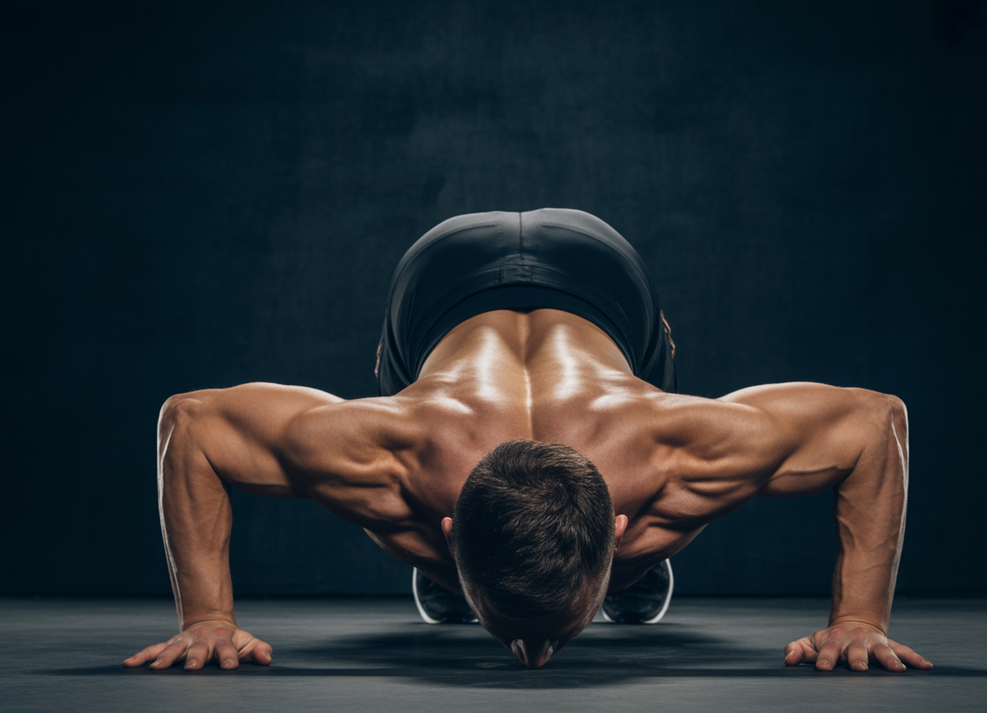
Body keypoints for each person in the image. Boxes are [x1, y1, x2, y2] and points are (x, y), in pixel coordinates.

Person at [123, 208, 932, 672]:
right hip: (442, 288)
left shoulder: (675, 447)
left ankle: (506, 583)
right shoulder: (390, 450)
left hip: (599, 279)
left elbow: (874, 423)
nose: (533, 658)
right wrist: (208, 617)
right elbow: (188, 426)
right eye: (525, 634)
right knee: (403, 397)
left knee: (616, 486)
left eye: (537, 633)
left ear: (614, 527)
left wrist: (860, 618)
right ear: (447, 526)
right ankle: (489, 580)